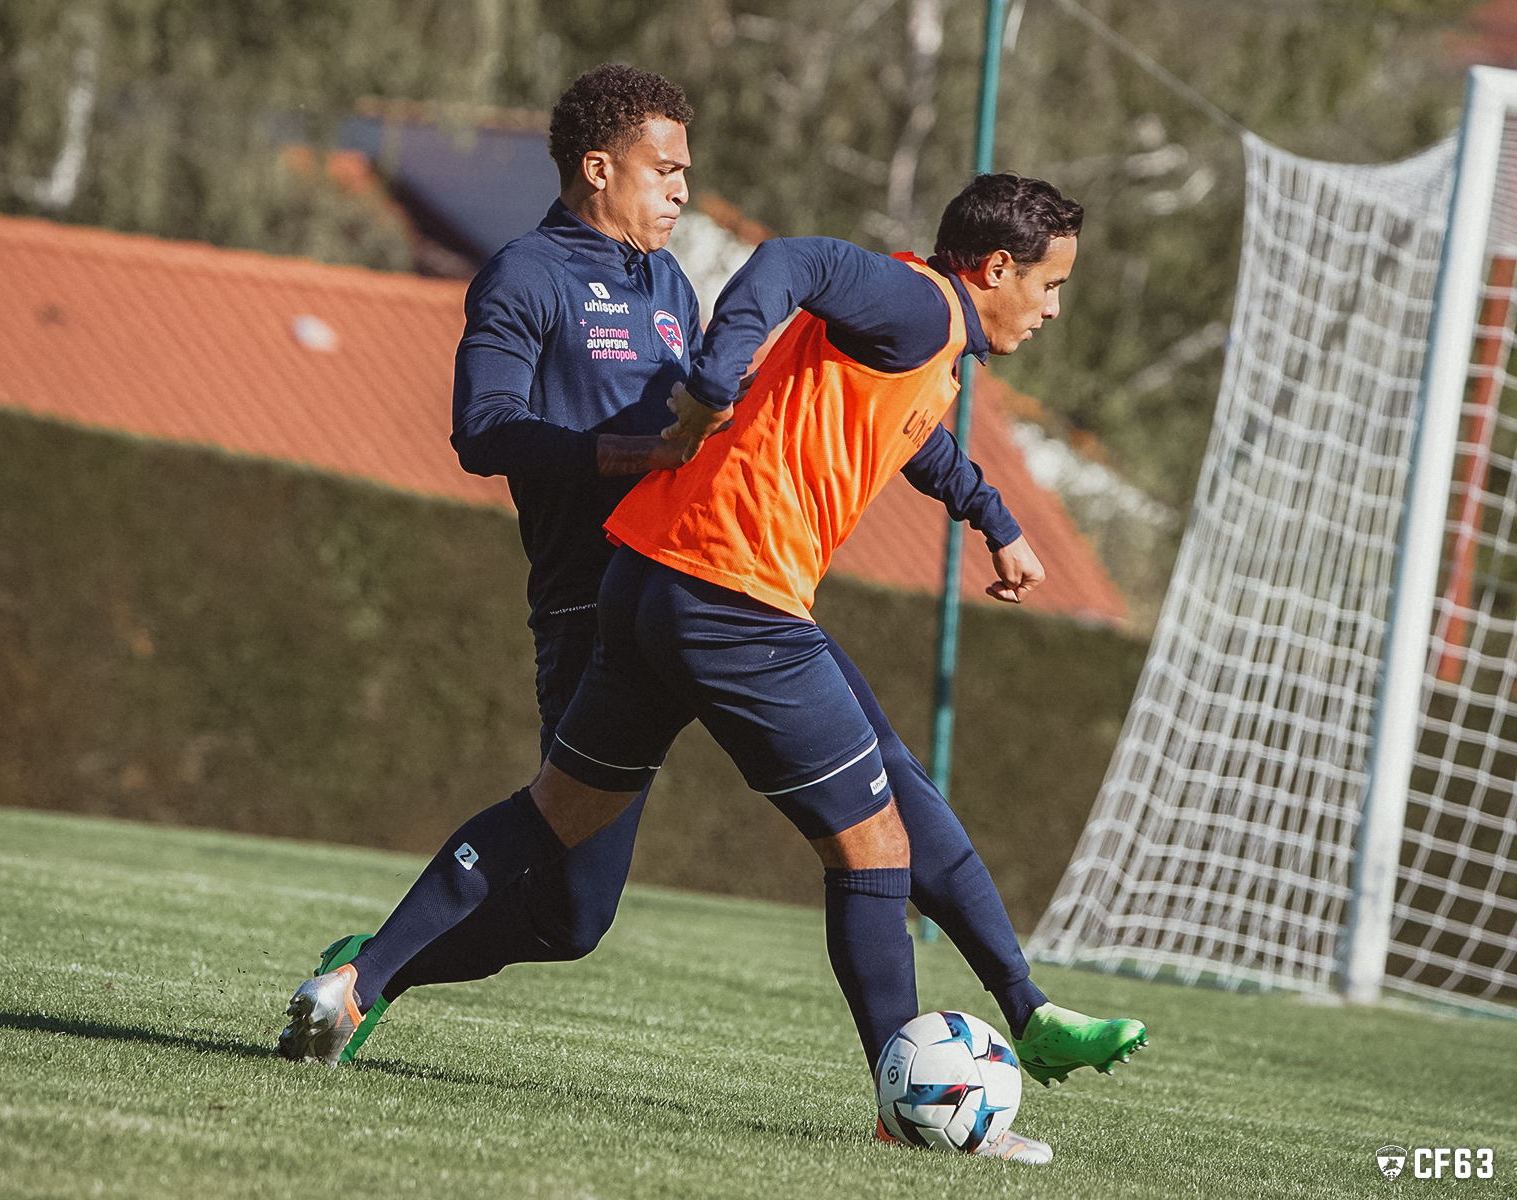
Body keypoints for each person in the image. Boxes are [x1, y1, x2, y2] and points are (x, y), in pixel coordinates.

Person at [280, 66, 1145, 1156]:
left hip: (669, 575)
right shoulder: (526, 276)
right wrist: (641, 444)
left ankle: (360, 980)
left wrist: (988, 510)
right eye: (666, 167)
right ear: (599, 167)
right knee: (602, 904)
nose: (686, 188)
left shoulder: (671, 290)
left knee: (832, 792)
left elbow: (872, 417)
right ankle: (920, 1100)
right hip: (648, 594)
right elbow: (482, 432)